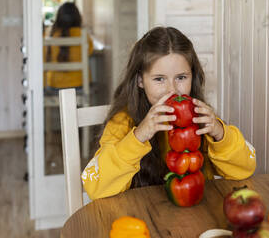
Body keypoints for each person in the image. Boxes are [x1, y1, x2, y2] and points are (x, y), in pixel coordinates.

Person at [82, 27, 256, 200]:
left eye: (181, 77)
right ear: (140, 80)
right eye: (159, 79)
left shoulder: (200, 117)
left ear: (192, 76)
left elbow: (245, 169)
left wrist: (220, 133)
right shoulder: (122, 121)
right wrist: (139, 136)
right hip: (142, 218)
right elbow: (94, 187)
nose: (172, 90)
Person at [43, 2, 93, 89]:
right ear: (78, 17)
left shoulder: (49, 33)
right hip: (79, 83)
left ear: (58, 17)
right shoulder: (82, 34)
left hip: (54, 85)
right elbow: (89, 52)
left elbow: (44, 56)